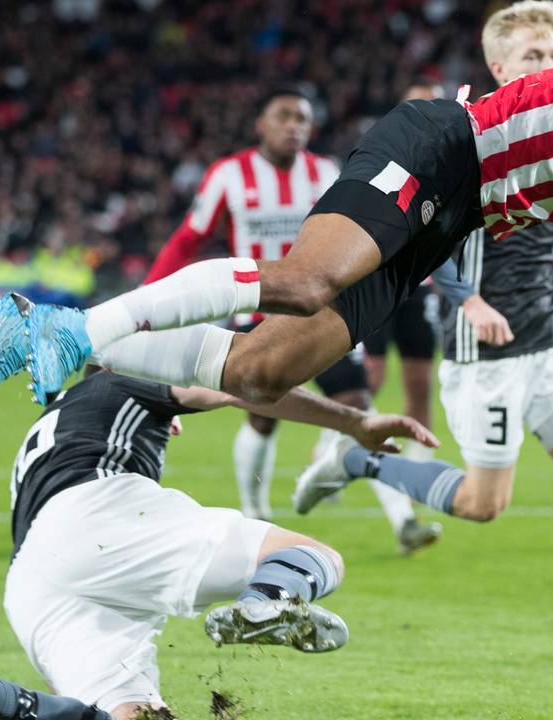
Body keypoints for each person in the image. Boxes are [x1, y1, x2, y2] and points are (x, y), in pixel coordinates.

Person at [0, 19, 553, 490]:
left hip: (454, 222)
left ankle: (50, 332)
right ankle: (73, 329)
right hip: (443, 143)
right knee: (307, 281)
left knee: (264, 373)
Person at [300, 1, 553, 676]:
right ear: (498, 65)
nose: (548, 65)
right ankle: (357, 462)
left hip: (549, 338)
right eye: (533, 56)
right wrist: (468, 299)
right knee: (484, 505)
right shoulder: (467, 135)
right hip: (487, 350)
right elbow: (426, 234)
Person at [0, 301, 438, 720]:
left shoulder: (69, 415)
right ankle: (264, 601)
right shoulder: (120, 374)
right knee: (312, 557)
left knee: (134, 715)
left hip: (34, 582)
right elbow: (245, 384)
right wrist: (352, 422)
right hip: (98, 517)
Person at [105, 85, 442, 552]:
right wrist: (145, 304)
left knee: (358, 406)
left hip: (321, 316)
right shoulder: (228, 175)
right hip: (255, 315)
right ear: (261, 124)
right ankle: (255, 513)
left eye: (302, 119)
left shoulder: (326, 173)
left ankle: (403, 520)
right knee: (262, 419)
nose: (294, 127)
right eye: (284, 116)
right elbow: (188, 240)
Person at [362, 78, 445, 466]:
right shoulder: (380, 155)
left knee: (420, 383)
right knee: (370, 380)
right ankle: (332, 451)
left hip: (420, 288)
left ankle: (417, 469)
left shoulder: (453, 164)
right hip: (377, 282)